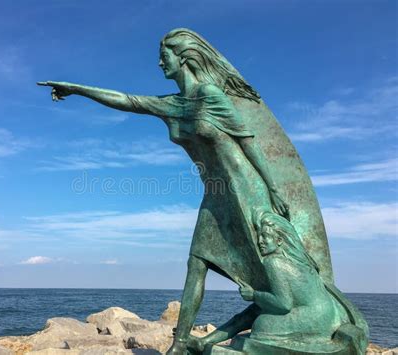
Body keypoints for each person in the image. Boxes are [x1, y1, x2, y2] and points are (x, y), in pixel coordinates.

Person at [38, 28, 289, 354]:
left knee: (263, 270)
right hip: (216, 197)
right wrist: (77, 89)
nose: (159, 63)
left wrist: (273, 188)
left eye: (163, 56)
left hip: (245, 192)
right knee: (197, 262)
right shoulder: (173, 104)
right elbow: (127, 101)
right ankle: (181, 343)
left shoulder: (212, 96)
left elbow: (249, 145)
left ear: (183, 57)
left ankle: (279, 321)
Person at [187, 210, 347, 353]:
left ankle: (212, 347)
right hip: (330, 314)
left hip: (316, 319)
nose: (260, 241)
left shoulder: (274, 262)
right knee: (252, 311)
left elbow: (283, 304)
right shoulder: (300, 259)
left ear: (279, 240)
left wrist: (254, 294)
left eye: (266, 236)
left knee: (261, 324)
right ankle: (204, 342)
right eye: (260, 236)